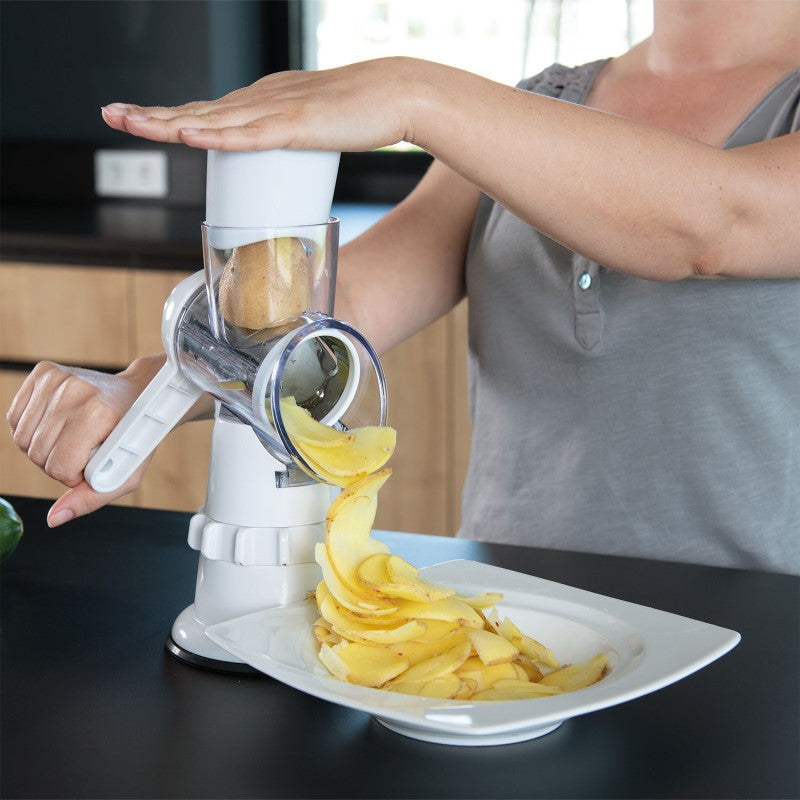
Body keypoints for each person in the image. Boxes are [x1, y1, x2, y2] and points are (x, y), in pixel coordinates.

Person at [7, 0, 799, 573]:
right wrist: (144, 389)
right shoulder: (538, 108)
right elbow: (332, 315)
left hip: (760, 636)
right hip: (515, 629)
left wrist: (411, 90)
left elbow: (719, 222)